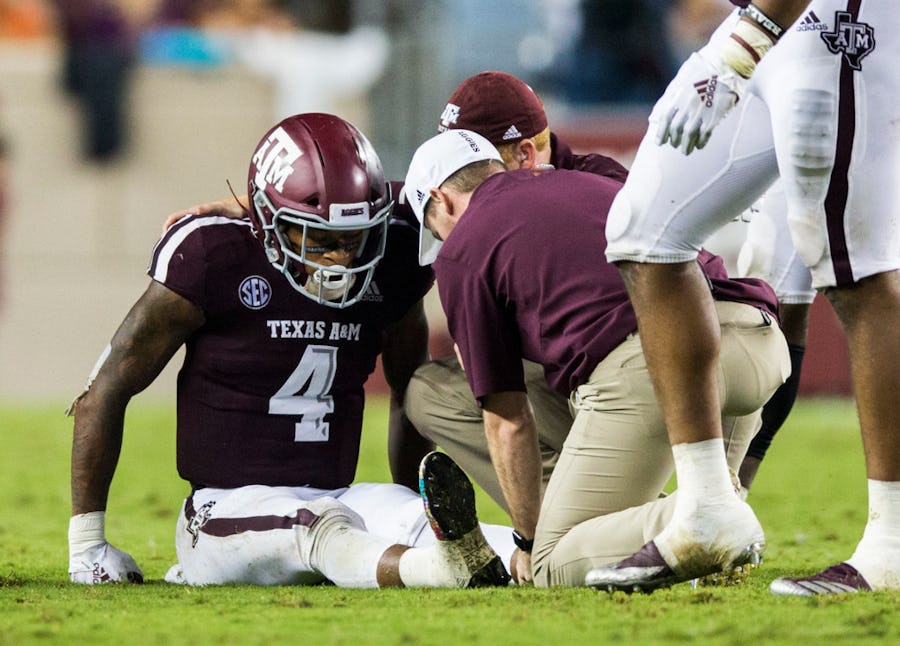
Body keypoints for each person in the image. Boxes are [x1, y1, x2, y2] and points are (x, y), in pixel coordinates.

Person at [66, 112, 512, 588]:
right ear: (265, 220)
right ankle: (433, 569)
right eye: (319, 238)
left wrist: (410, 504)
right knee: (313, 527)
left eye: (353, 238)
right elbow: (106, 389)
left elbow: (408, 391)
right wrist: (88, 545)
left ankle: (538, 562)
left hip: (340, 493)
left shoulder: (393, 252)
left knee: (413, 518)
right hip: (223, 507)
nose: (340, 257)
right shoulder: (212, 254)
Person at [589, 0, 900, 595]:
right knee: (644, 230)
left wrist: (737, 54)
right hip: (762, 28)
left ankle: (894, 544)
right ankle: (708, 508)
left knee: (855, 270)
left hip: (834, 25)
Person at [402, 128, 790, 587]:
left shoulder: (463, 247)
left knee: (551, 563)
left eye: (435, 229)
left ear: (440, 199)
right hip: (756, 342)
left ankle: (704, 511)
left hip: (661, 361)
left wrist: (528, 540)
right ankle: (712, 511)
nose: (442, 239)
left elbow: (507, 419)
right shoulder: (586, 178)